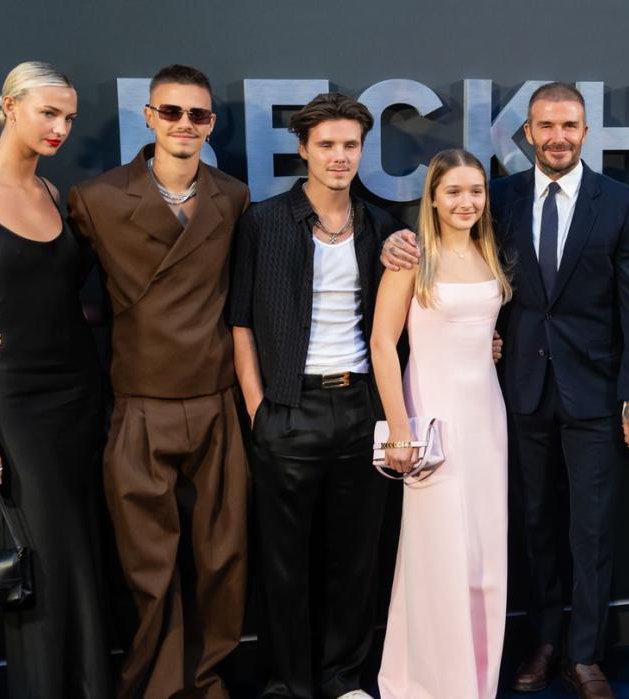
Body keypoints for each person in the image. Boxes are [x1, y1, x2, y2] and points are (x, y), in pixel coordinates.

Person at [383, 82, 629, 699]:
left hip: (593, 392)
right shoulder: (496, 197)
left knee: (589, 528)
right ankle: (543, 642)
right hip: (516, 392)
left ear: (586, 133)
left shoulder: (617, 202)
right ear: (528, 133)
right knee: (532, 524)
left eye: (570, 125)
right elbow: (450, 250)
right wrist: (392, 241)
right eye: (546, 126)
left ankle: (586, 654)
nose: (558, 136)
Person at [71, 64, 250, 698]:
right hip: (140, 403)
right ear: (147, 117)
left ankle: (207, 678)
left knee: (222, 559)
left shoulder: (232, 196)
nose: (183, 125)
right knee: (149, 567)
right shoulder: (96, 198)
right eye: (170, 112)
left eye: (197, 115)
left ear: (211, 124)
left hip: (216, 401)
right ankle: (156, 685)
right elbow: (59, 289)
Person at [0, 61, 110, 697]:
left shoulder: (55, 195)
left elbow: (59, 300)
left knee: (83, 560)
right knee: (41, 566)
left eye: (69, 118)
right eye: (48, 113)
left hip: (82, 398)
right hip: (18, 407)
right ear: (9, 107)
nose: (61, 128)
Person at [227, 92, 406, 699]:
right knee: (284, 562)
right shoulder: (264, 221)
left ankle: (341, 680)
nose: (339, 157)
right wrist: (258, 410)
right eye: (326, 145)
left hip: (361, 408)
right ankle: (288, 684)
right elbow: (241, 322)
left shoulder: (382, 224)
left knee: (354, 560)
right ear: (302, 149)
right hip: (288, 410)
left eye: (350, 145)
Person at [371, 149, 513, 699]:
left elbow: (480, 330)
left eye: (475, 190)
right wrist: (400, 428)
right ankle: (430, 683)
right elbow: (383, 343)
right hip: (431, 418)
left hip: (487, 417)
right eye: (453, 191)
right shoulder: (411, 257)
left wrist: (489, 344)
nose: (466, 201)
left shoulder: (489, 252)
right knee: (437, 551)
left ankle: (476, 679)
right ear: (432, 196)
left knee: (483, 551)